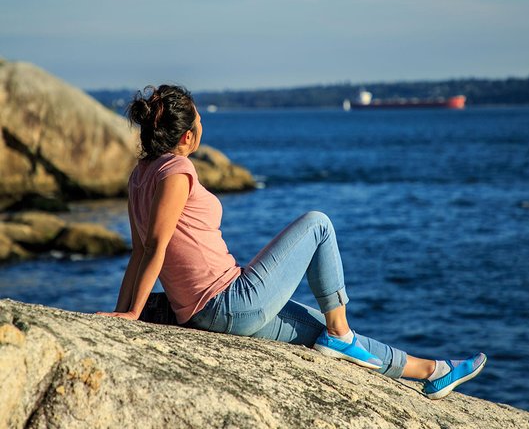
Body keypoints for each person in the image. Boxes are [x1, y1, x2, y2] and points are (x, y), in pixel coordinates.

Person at [97, 84, 486, 399]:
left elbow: (139, 252)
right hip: (228, 302)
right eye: (199, 120)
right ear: (188, 135)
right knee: (318, 224)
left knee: (320, 330)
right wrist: (131, 317)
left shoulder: (139, 175)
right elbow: (155, 247)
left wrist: (125, 310)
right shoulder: (178, 169)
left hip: (214, 306)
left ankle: (431, 371)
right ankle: (342, 333)